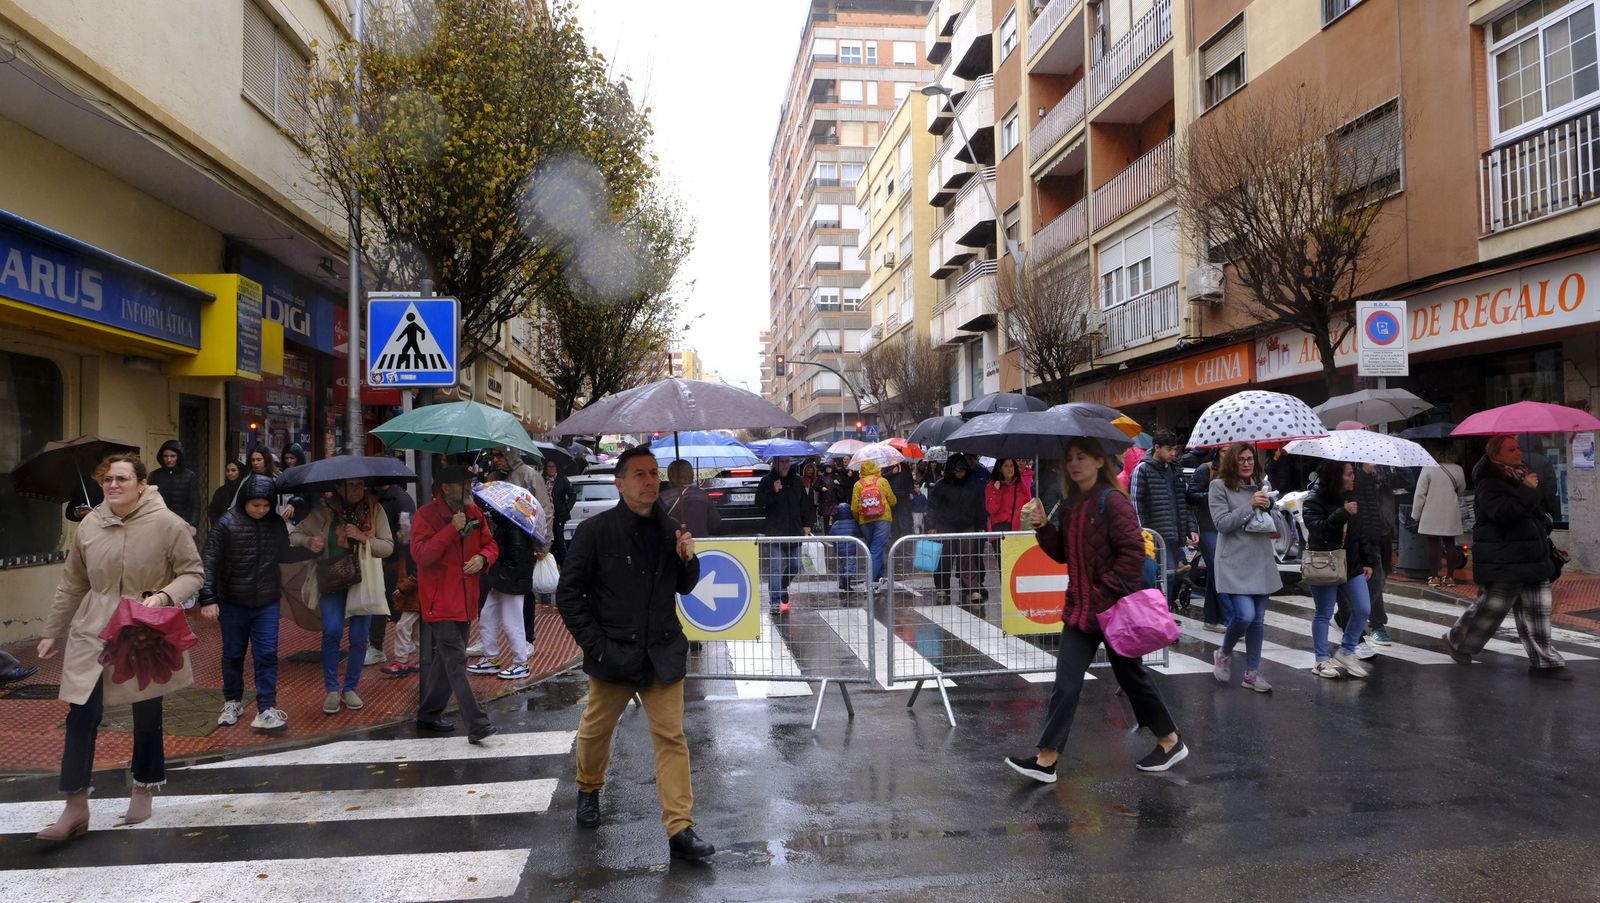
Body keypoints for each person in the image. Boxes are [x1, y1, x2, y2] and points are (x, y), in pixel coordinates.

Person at [554, 445, 714, 861]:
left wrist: (687, 559)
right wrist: (597, 647)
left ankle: (680, 829)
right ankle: (589, 787)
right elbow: (569, 595)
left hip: (662, 651)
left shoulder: (672, 529)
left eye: (654, 473)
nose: (649, 481)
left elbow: (685, 587)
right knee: (596, 731)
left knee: (672, 738)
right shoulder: (595, 532)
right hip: (613, 655)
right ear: (620, 483)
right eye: (639, 474)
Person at [35, 453, 205, 840]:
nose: (113, 485)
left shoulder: (167, 523)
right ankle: (75, 805)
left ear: (141, 484)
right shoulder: (90, 525)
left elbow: (193, 573)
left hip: (144, 629)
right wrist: (52, 630)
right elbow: (72, 583)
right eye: (107, 479)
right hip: (93, 627)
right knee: (81, 713)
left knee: (146, 712)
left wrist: (163, 597)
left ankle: (143, 784)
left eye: (122, 479)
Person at [1004, 438, 1187, 784]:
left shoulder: (1112, 501)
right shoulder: (1071, 504)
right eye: (1070, 458)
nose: (1074, 464)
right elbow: (1063, 554)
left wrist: (1103, 593)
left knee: (1132, 679)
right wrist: (1043, 528)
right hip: (1081, 612)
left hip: (1112, 610)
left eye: (1082, 457)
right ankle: (1046, 760)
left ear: (1100, 461)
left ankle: (1169, 740)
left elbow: (1133, 554)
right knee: (1066, 684)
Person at [1443, 435, 1569, 679]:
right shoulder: (1488, 482)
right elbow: (1503, 513)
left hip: (1533, 555)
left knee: (1537, 611)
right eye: (1511, 449)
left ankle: (1545, 662)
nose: (1518, 452)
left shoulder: (1524, 475)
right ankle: (1457, 641)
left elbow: (1534, 509)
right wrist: (1528, 491)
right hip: (1503, 557)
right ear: (1495, 455)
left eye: (1518, 448)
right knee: (1490, 608)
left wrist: (1543, 516)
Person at [198, 474, 308, 732]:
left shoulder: (275, 523)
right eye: (256, 505)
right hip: (232, 601)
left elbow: (283, 554)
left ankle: (267, 708)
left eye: (266, 505)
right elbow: (209, 561)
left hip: (267, 601)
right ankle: (232, 701)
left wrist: (311, 548)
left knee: (267, 654)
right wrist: (208, 599)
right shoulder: (226, 523)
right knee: (233, 654)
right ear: (245, 500)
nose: (261, 510)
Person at [412, 466, 502, 739]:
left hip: (465, 599)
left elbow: (491, 545)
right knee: (456, 660)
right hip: (439, 602)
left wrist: (483, 558)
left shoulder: (475, 513)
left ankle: (428, 714)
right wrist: (451, 529)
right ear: (445, 487)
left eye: (468, 482)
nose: (468, 488)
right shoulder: (426, 515)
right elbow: (422, 556)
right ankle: (477, 724)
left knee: (446, 660)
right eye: (462, 483)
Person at [291, 478, 395, 714]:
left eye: (360, 484)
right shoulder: (324, 511)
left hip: (364, 581)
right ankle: (331, 689)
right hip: (332, 579)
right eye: (351, 485)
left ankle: (350, 688)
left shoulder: (374, 509)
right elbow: (294, 535)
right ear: (339, 488)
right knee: (332, 630)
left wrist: (363, 537)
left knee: (359, 637)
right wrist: (310, 541)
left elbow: (388, 547)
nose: (357, 489)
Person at [1207, 444, 1282, 693]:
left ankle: (1251, 674)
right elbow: (1222, 523)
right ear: (1232, 462)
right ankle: (1224, 653)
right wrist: (1249, 505)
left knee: (1258, 620)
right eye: (1241, 459)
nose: (1247, 463)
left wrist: (1268, 504)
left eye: (1250, 459)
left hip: (1260, 558)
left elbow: (1271, 522)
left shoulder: (1261, 485)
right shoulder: (1218, 486)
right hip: (1234, 561)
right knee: (1244, 616)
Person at [1302, 460, 1378, 680]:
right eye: (1348, 474)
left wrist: (1367, 560)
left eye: (1353, 473)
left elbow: (1359, 532)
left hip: (1351, 563)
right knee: (1324, 612)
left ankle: (1346, 651)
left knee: (1363, 608)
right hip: (1324, 562)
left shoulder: (1350, 496)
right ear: (1336, 476)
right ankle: (1321, 660)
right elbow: (1318, 530)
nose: (1353, 478)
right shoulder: (1314, 499)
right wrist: (1343, 513)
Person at [1129, 431, 1197, 607]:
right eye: (1169, 449)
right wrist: (1144, 535)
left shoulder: (1175, 469)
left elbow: (1183, 502)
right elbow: (1136, 505)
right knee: (1162, 577)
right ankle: (1160, 612)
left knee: (1170, 577)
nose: (1173, 453)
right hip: (1155, 536)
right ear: (1157, 447)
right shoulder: (1142, 470)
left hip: (1175, 534)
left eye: (1175, 449)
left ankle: (1164, 611)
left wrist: (1191, 527)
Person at [468, 508, 537, 680]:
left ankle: (521, 663)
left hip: (510, 583)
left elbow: (516, 560)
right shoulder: (509, 526)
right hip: (504, 581)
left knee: (512, 622)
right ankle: (492, 657)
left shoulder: (513, 529)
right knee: (488, 616)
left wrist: (497, 579)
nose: (491, 511)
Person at [755, 456, 814, 614]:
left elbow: (805, 504)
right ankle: (774, 602)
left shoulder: (797, 481)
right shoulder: (767, 480)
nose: (785, 465)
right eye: (781, 462)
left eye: (787, 461)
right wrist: (773, 492)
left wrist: (807, 524)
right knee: (775, 568)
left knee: (796, 565)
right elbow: (758, 501)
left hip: (794, 532)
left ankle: (782, 586)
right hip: (775, 532)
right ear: (775, 463)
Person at [368, 481, 418, 667]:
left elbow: (407, 532)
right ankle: (382, 645)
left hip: (394, 560)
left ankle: (377, 646)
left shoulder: (400, 498)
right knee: (384, 602)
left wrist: (398, 543)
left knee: (386, 601)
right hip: (383, 557)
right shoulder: (377, 495)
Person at [928, 454, 988, 606]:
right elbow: (932, 507)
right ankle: (942, 588)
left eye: (963, 470)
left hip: (966, 526)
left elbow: (979, 506)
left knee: (968, 559)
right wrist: (931, 525)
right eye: (958, 470)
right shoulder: (941, 486)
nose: (962, 473)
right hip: (945, 526)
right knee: (944, 558)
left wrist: (981, 525)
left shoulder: (971, 486)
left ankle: (971, 588)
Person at [1412, 450, 1466, 590]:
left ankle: (1435, 577)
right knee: (1450, 544)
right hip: (1450, 511)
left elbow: (1420, 493)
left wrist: (1416, 514)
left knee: (1432, 544)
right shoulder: (1458, 469)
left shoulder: (1428, 468)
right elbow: (1461, 489)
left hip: (1431, 511)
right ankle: (1450, 577)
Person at [1184, 449, 1226, 631]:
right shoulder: (1206, 469)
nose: (1228, 454)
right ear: (1217, 452)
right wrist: (1215, 495)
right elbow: (1191, 496)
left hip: (1226, 527)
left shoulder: (1236, 470)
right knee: (1220, 569)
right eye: (1225, 451)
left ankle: (1211, 618)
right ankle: (1230, 616)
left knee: (1214, 573)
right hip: (1206, 527)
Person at [851, 459, 897, 589]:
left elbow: (854, 508)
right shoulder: (882, 481)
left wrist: (859, 519)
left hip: (865, 521)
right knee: (876, 550)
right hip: (883, 519)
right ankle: (871, 583)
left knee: (874, 549)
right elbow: (893, 500)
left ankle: (877, 580)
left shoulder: (858, 484)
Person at [149, 439, 202, 541]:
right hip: (160, 523)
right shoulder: (155, 475)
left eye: (173, 456)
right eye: (165, 456)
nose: (169, 459)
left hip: (183, 522)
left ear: (179, 457)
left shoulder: (189, 476)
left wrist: (193, 524)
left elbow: (195, 502)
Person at [661, 460, 720, 538]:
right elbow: (715, 523)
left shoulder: (663, 498)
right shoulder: (703, 496)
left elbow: (658, 526)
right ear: (691, 475)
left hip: (675, 543)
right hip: (701, 543)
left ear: (670, 476)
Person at [545, 457, 576, 562]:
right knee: (545, 540)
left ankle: (564, 563)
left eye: (553, 467)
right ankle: (549, 561)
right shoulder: (543, 480)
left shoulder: (562, 480)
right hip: (545, 515)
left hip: (558, 515)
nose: (550, 469)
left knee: (559, 540)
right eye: (548, 467)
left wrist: (566, 509)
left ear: (556, 468)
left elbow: (572, 495)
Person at [827, 501, 860, 591]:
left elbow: (832, 535)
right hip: (851, 550)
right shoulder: (853, 523)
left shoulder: (835, 524)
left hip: (840, 551)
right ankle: (846, 578)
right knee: (850, 566)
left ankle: (843, 582)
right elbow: (858, 533)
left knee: (842, 566)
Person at [207, 460, 244, 530]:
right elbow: (213, 510)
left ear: (240, 471)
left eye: (233, 470)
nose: (230, 473)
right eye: (227, 470)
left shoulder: (245, 489)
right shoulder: (221, 491)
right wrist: (218, 525)